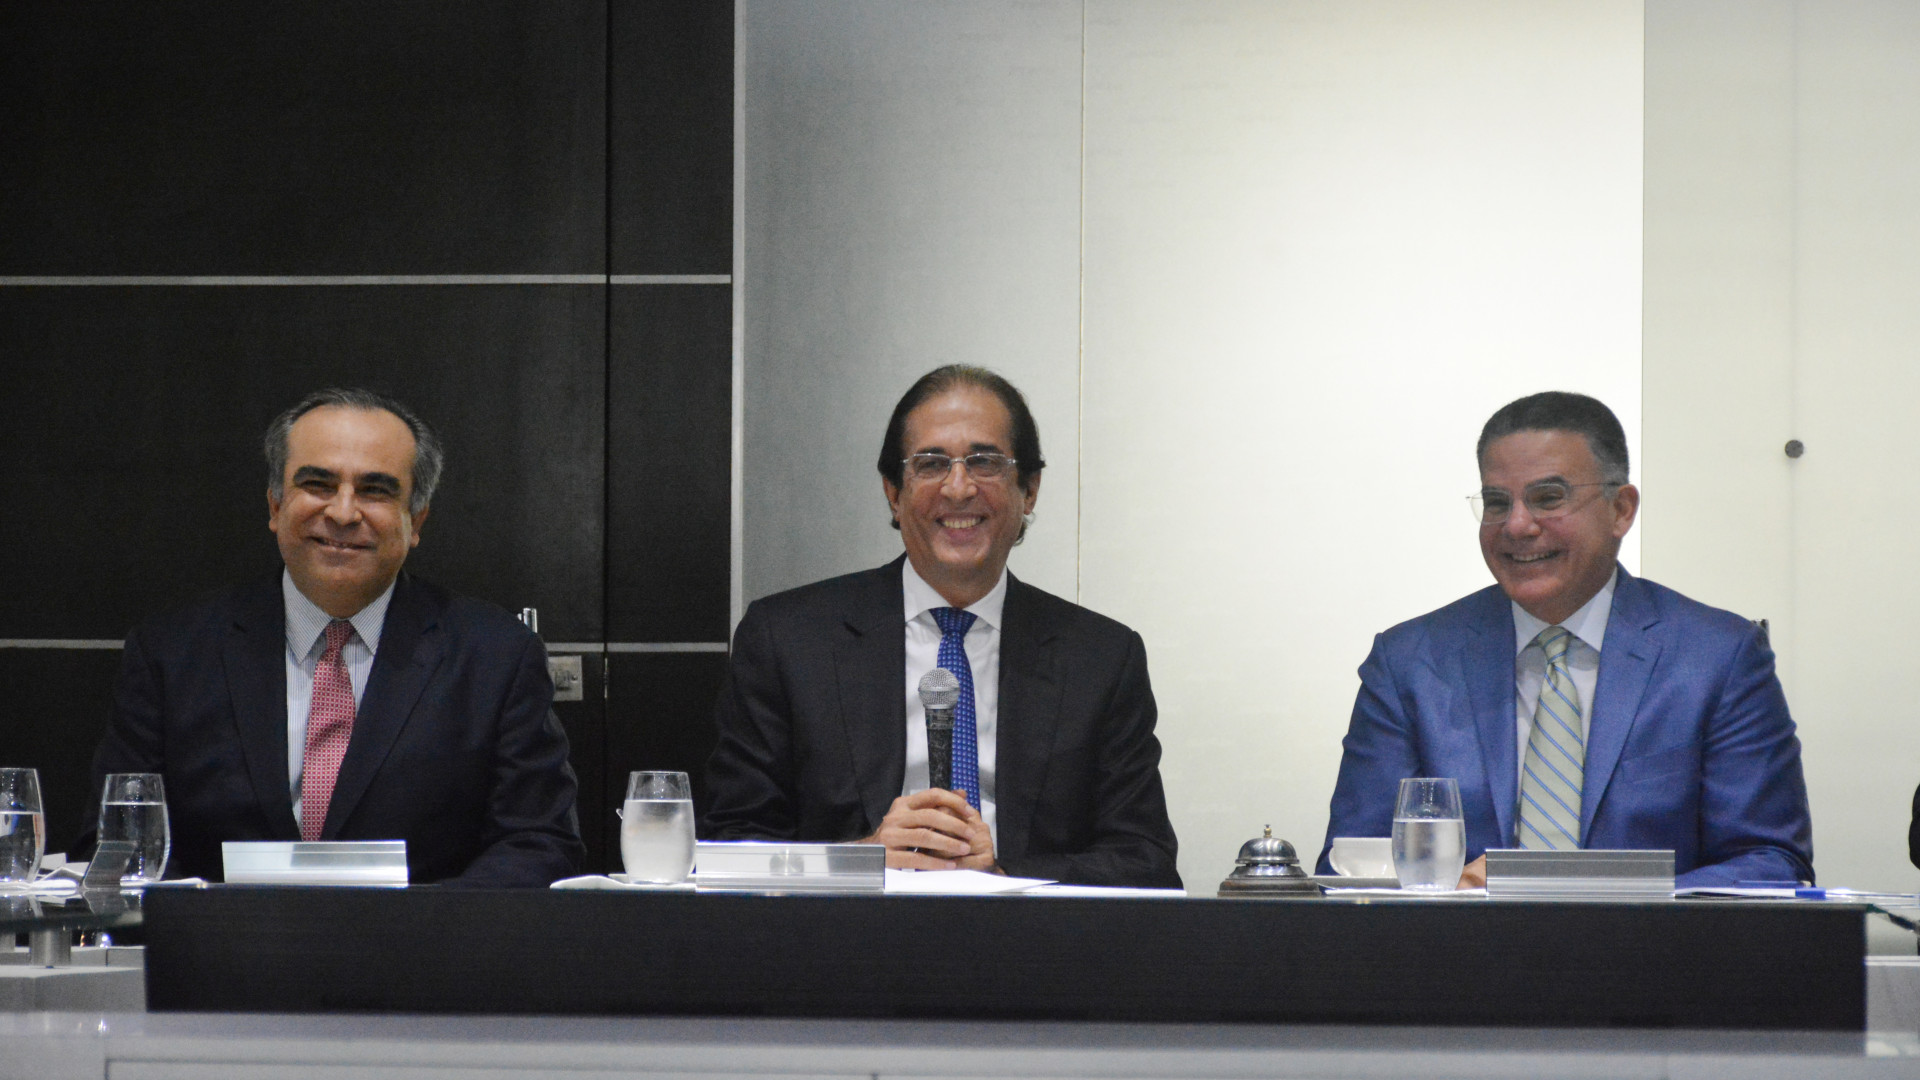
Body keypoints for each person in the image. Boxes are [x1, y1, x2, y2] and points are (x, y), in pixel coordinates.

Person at [702, 365, 1180, 888]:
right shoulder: (788, 641)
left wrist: (999, 874)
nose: (958, 488)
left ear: (1030, 490)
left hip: (1028, 935)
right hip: (848, 933)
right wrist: (863, 860)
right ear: (893, 491)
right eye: (931, 464)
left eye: (985, 462)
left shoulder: (1101, 658)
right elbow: (729, 854)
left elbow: (1145, 863)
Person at [83, 388, 583, 886]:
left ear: (416, 521)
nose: (343, 513)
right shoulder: (171, 652)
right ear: (275, 504)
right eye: (318, 484)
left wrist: (423, 924)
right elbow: (116, 844)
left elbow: (537, 841)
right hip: (219, 935)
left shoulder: (497, 656)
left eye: (375, 490)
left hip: (424, 936)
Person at [1318, 391, 1813, 888]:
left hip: (1649, 941)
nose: (1517, 525)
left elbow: (1771, 865)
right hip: (1460, 941)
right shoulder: (1411, 664)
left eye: (1548, 498)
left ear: (1621, 509)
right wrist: (1451, 893)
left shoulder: (1717, 658)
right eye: (1497, 503)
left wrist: (1567, 888)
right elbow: (1350, 868)